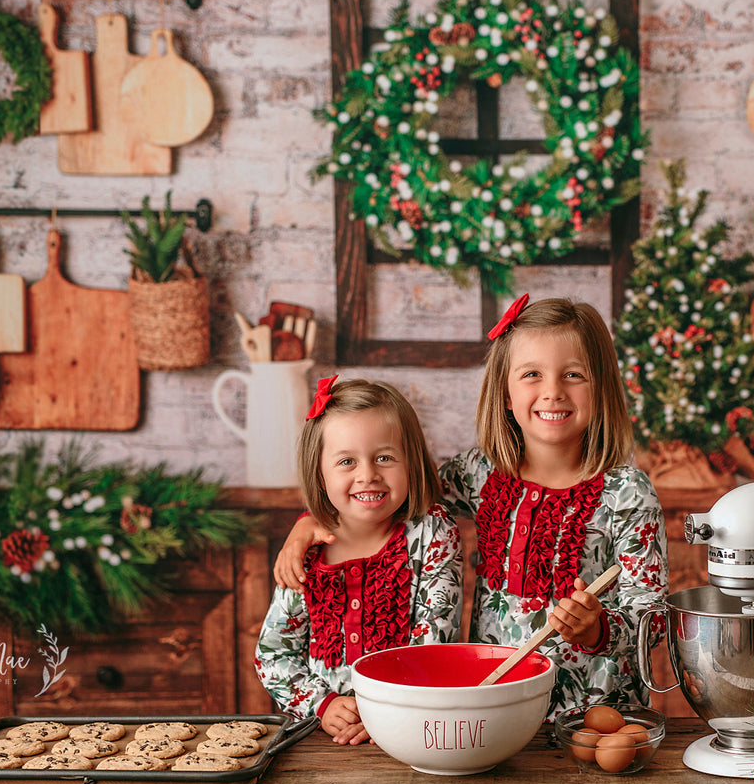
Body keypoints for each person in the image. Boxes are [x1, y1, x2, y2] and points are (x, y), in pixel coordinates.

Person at [276, 297, 667, 717]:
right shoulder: (478, 472)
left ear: (601, 386)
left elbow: (654, 619)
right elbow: (392, 494)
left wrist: (598, 629)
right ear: (506, 393)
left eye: (574, 375)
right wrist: (310, 521)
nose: (553, 391)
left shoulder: (628, 493)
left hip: (596, 713)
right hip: (496, 708)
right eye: (532, 374)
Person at [255, 377, 462, 745]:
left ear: (411, 462)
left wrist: (387, 712)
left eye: (384, 457)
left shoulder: (432, 533)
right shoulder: (307, 553)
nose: (367, 475)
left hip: (412, 730)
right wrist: (323, 705)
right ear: (320, 475)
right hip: (322, 741)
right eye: (347, 461)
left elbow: (434, 641)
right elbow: (273, 655)